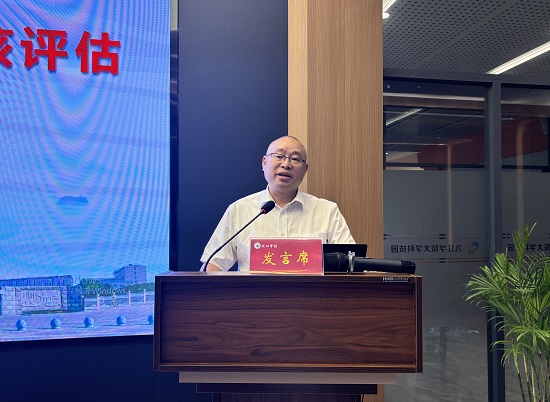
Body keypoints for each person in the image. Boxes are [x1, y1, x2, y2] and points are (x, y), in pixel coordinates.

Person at [200, 135, 355, 272]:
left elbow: (351, 263)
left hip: (310, 295)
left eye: (295, 159)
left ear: (305, 169)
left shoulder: (327, 211)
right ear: (264, 162)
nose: (286, 164)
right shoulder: (239, 210)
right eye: (279, 156)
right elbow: (213, 265)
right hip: (253, 296)